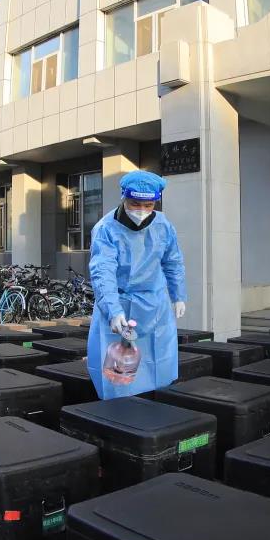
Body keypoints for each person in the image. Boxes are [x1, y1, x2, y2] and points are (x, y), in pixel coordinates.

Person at [87, 170, 187, 399]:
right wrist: (112, 310)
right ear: (123, 197)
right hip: (119, 304)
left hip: (156, 305)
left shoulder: (163, 225)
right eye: (135, 204)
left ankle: (157, 405)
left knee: (159, 362)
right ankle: (117, 410)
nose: (141, 210)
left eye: (148, 205)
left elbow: (173, 261)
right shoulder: (106, 229)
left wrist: (178, 295)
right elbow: (103, 272)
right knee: (118, 371)